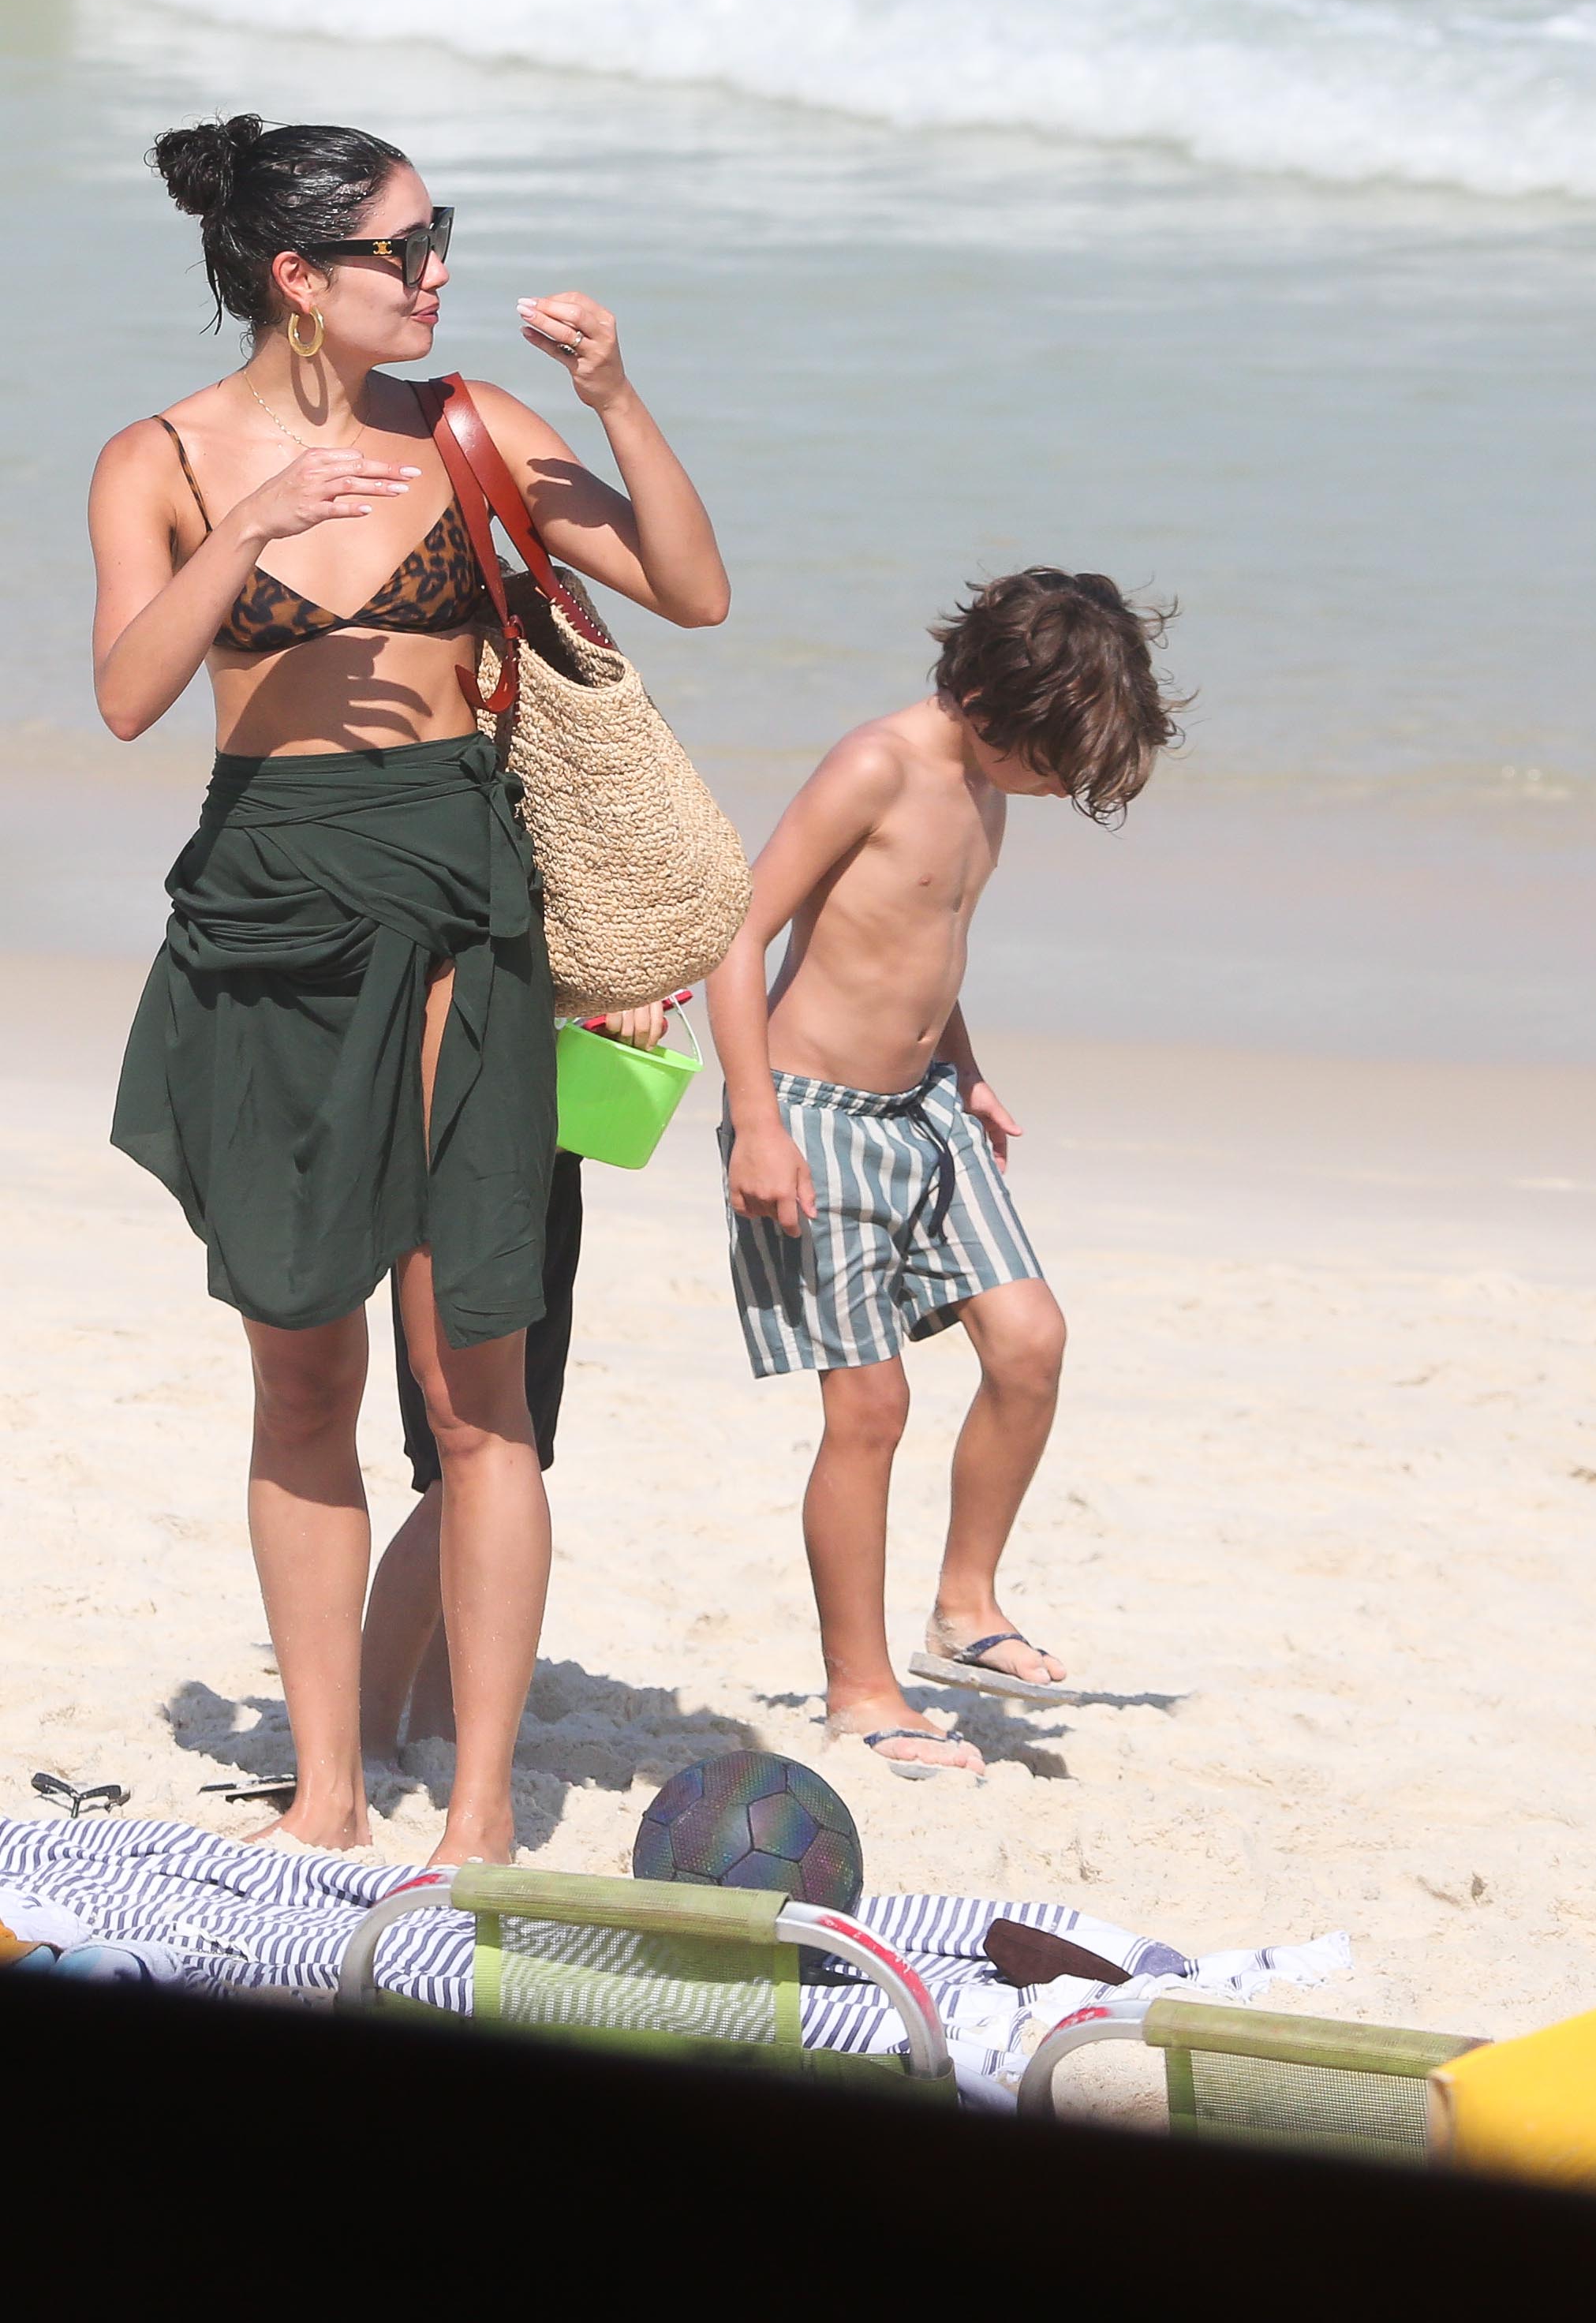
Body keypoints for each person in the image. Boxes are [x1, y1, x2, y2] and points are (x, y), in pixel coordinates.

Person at [92, 116, 728, 1861]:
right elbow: (133, 690)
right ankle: (320, 1785)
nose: (434, 265)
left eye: (439, 230)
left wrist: (614, 396)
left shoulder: (469, 425)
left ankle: (477, 1808)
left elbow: (695, 586)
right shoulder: (159, 455)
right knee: (299, 1375)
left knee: (477, 1389)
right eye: (402, 244)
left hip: (462, 896)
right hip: (270, 909)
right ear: (297, 277)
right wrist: (259, 527)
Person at [707, 570, 1183, 1775]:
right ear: (980, 693)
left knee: (1031, 1342)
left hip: (928, 1109)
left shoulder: (988, 782)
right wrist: (755, 1119)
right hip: (812, 1115)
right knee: (868, 1409)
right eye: (1050, 755)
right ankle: (861, 1688)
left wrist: (964, 1066)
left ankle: (965, 1609)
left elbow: (924, 947)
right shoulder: (876, 764)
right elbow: (738, 931)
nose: (1057, 782)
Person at [357, 997, 665, 1759]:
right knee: (466, 1467)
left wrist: (622, 975)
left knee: (504, 1452)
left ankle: (435, 1719)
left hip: (538, 1115)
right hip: (449, 1100)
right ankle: (360, 1734)